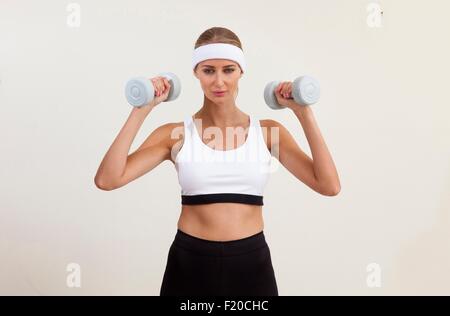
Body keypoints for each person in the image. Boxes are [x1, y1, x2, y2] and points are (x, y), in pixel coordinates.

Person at [94, 26, 341, 296]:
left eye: (228, 70)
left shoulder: (269, 133)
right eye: (208, 70)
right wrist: (141, 109)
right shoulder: (175, 134)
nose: (219, 82)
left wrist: (302, 112)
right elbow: (108, 179)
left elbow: (328, 185)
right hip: (190, 265)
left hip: (251, 266)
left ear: (241, 72)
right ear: (196, 73)